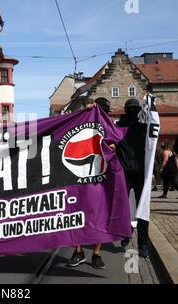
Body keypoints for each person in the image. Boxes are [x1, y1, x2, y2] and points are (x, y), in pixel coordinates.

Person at [67, 98, 111, 270]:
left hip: (101, 180)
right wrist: (87, 110)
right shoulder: (82, 124)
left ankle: (97, 254)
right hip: (80, 179)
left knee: (99, 217)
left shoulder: (108, 127)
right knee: (78, 217)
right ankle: (78, 251)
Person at [116, 99, 149, 258]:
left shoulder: (118, 127)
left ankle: (127, 234)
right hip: (137, 172)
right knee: (140, 209)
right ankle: (140, 242)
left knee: (127, 207)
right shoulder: (142, 127)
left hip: (128, 172)